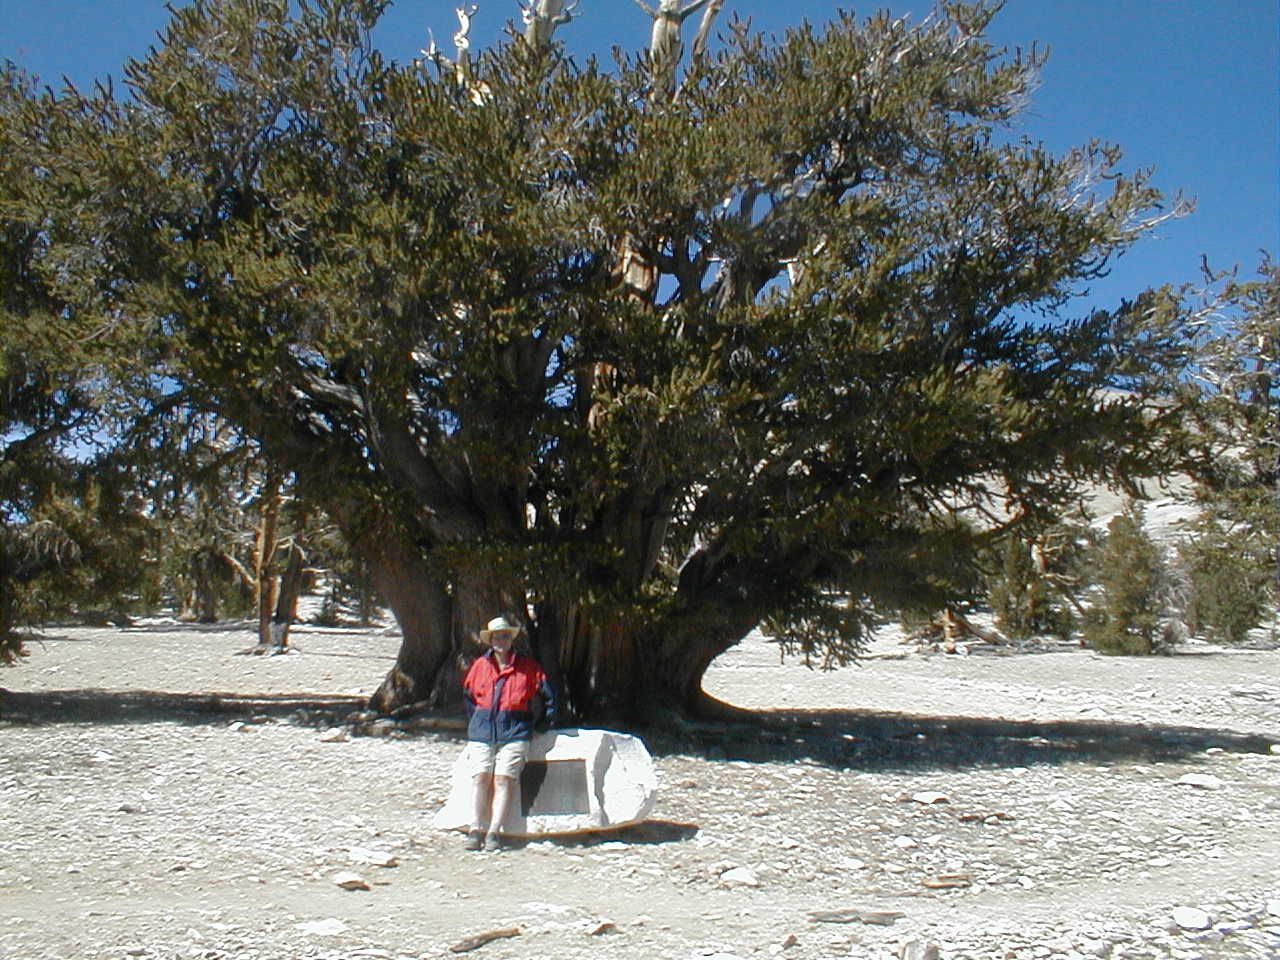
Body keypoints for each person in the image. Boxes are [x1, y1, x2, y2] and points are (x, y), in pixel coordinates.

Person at [459, 614, 556, 852]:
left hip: (515, 731)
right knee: (480, 777)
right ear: (490, 640)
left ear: (511, 639)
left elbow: (549, 698)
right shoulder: (480, 666)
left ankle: (494, 832)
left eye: (504, 636)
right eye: (496, 637)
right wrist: (476, 720)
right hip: (482, 731)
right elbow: (468, 696)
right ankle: (475, 829)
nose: (500, 641)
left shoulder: (528, 668)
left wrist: (542, 726)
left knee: (504, 779)